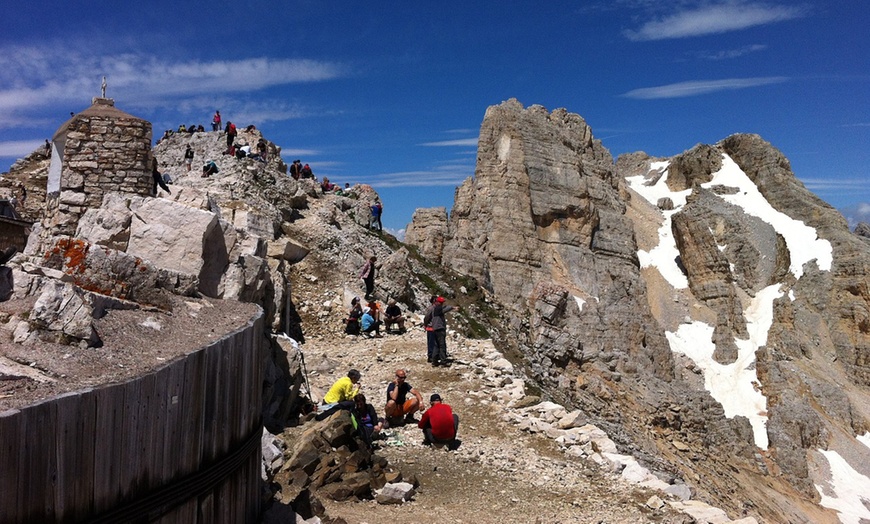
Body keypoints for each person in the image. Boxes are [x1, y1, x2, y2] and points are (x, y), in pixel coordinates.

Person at [431, 296, 459, 367]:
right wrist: (453, 308)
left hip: (435, 329)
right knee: (442, 345)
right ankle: (443, 361)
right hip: (440, 329)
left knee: (436, 345)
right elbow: (446, 309)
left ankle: (434, 361)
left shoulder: (434, 308)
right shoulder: (439, 309)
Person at [423, 296, 438, 363]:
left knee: (435, 343)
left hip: (435, 328)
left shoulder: (436, 308)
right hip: (431, 327)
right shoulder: (431, 309)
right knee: (431, 343)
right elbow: (426, 318)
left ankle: (434, 355)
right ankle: (430, 356)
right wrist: (426, 325)